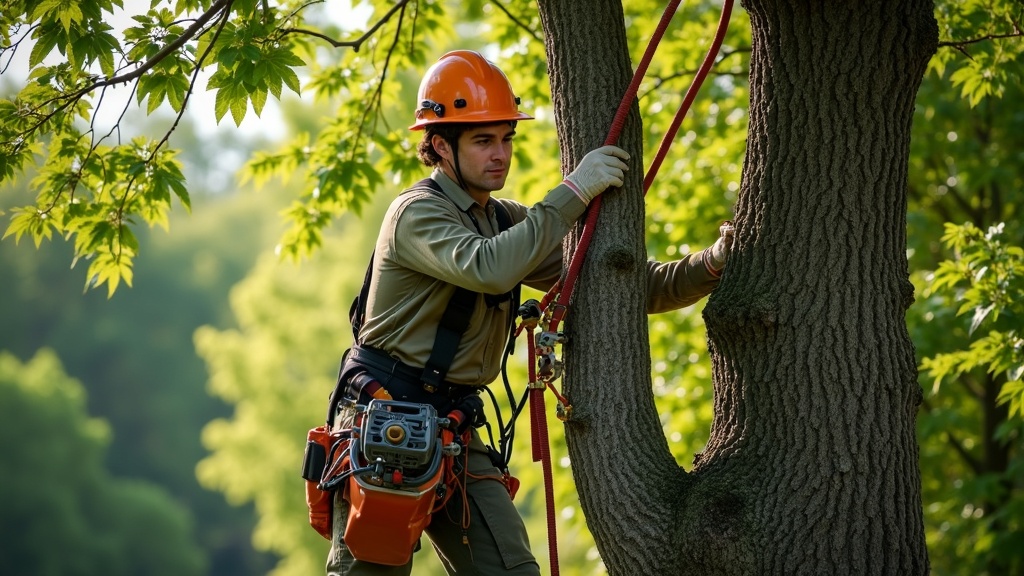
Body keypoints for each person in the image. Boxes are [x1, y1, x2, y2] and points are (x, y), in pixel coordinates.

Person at [326, 49, 732, 576]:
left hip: (452, 427)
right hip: (386, 421)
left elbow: (631, 289)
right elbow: (489, 268)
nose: (500, 153)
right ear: (440, 146)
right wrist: (573, 193)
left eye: (506, 138)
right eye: (483, 140)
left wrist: (712, 265)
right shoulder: (417, 213)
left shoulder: (505, 223)